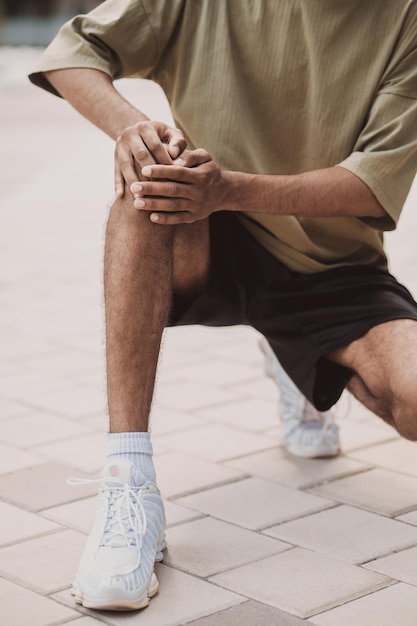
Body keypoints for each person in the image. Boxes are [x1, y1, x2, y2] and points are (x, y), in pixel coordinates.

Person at [29, 0, 417, 612]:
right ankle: (128, 487)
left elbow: (371, 182)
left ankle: (300, 372)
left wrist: (230, 188)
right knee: (148, 183)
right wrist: (133, 127)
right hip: (205, 233)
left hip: (329, 264)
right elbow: (75, 53)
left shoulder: (406, 19)